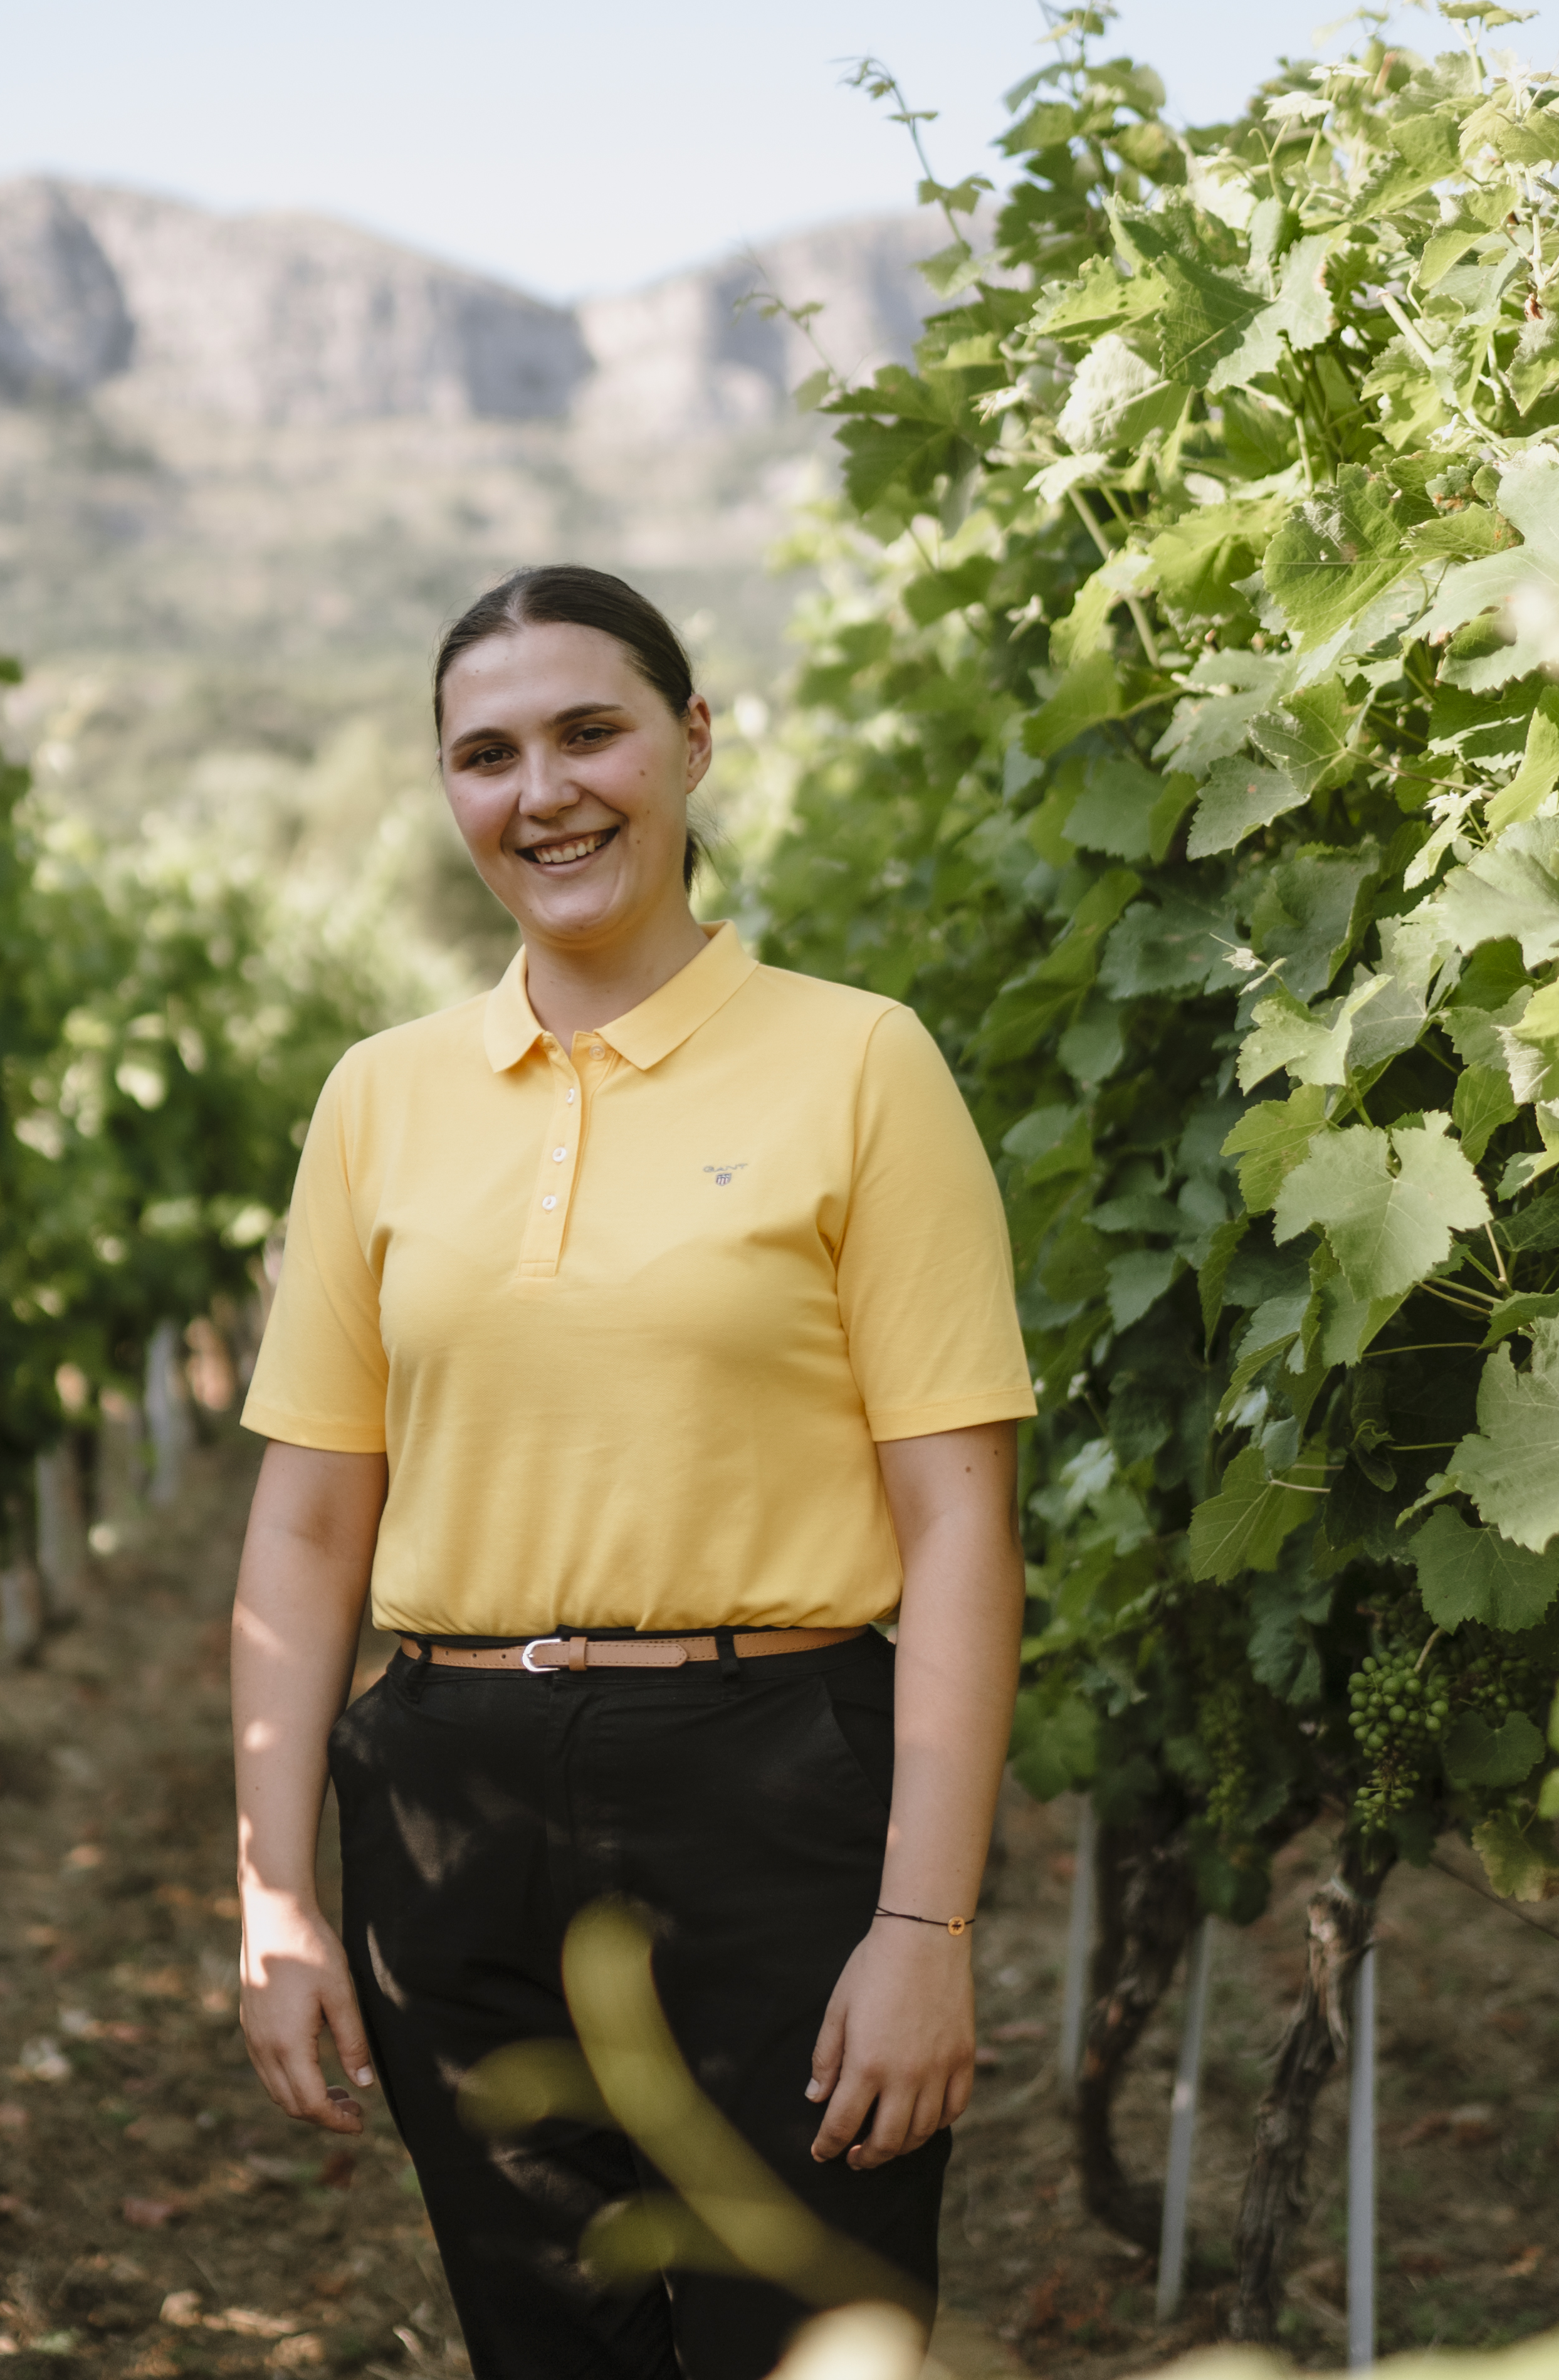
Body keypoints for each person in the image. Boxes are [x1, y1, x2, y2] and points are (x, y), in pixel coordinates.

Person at [228, 563, 1032, 2379]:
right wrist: (277, 1898)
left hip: (771, 1795)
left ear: (692, 743)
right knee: (549, 2349)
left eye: (590, 733)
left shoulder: (860, 1066)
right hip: (448, 1804)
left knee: (807, 2338)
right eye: (488, 755)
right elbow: (303, 1526)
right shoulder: (381, 1098)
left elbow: (960, 1520)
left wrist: (924, 1923)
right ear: (450, 792)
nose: (546, 792)